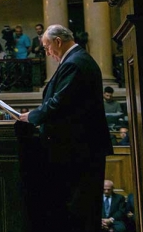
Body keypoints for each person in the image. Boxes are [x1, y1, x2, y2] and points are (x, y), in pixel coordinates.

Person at [19, 24, 112, 232]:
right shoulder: (76, 60)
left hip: (79, 150)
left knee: (79, 210)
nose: (47, 52)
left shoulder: (75, 63)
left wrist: (31, 116)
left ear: (58, 42)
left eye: (46, 47)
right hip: (80, 149)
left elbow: (59, 103)